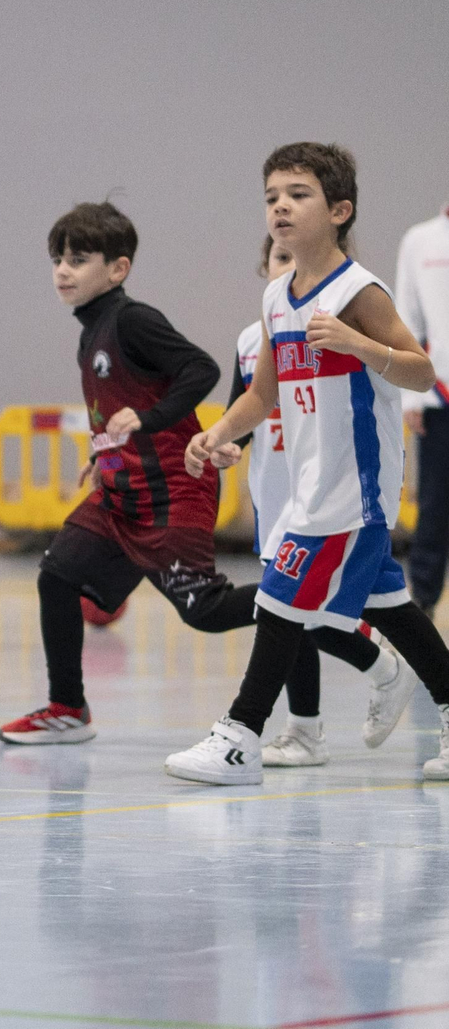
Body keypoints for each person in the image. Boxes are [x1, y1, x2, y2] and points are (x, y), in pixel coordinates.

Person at [0, 202, 390, 746]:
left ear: (118, 268)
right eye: (58, 260)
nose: (63, 271)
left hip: (172, 490)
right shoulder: (91, 332)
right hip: (121, 493)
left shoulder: (132, 320)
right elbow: (120, 408)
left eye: (78, 260)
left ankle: (341, 619)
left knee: (206, 611)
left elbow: (200, 368)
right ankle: (67, 709)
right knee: (56, 577)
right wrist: (104, 452)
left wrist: (150, 420)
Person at [167, 142, 449, 785]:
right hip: (309, 483)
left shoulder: (359, 291)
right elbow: (262, 394)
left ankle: (240, 736)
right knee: (393, 610)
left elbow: (421, 370)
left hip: (356, 485)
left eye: (298, 195)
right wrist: (217, 433)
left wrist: (358, 343)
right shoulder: (276, 297)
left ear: (339, 210)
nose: (281, 207)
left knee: (279, 598)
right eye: (272, 197)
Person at [216, 236, 410, 766]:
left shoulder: (350, 308)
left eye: (296, 258)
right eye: (280, 258)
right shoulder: (255, 334)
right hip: (277, 490)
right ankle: (370, 682)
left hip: (337, 490)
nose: (288, 268)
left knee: (285, 607)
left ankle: (278, 730)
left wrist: (359, 345)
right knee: (320, 612)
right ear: (264, 266)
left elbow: (412, 371)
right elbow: (251, 403)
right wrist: (224, 441)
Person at [396, 201, 449, 617]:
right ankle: (424, 599)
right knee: (434, 503)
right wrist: (411, 395)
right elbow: (407, 319)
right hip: (438, 395)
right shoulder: (420, 239)